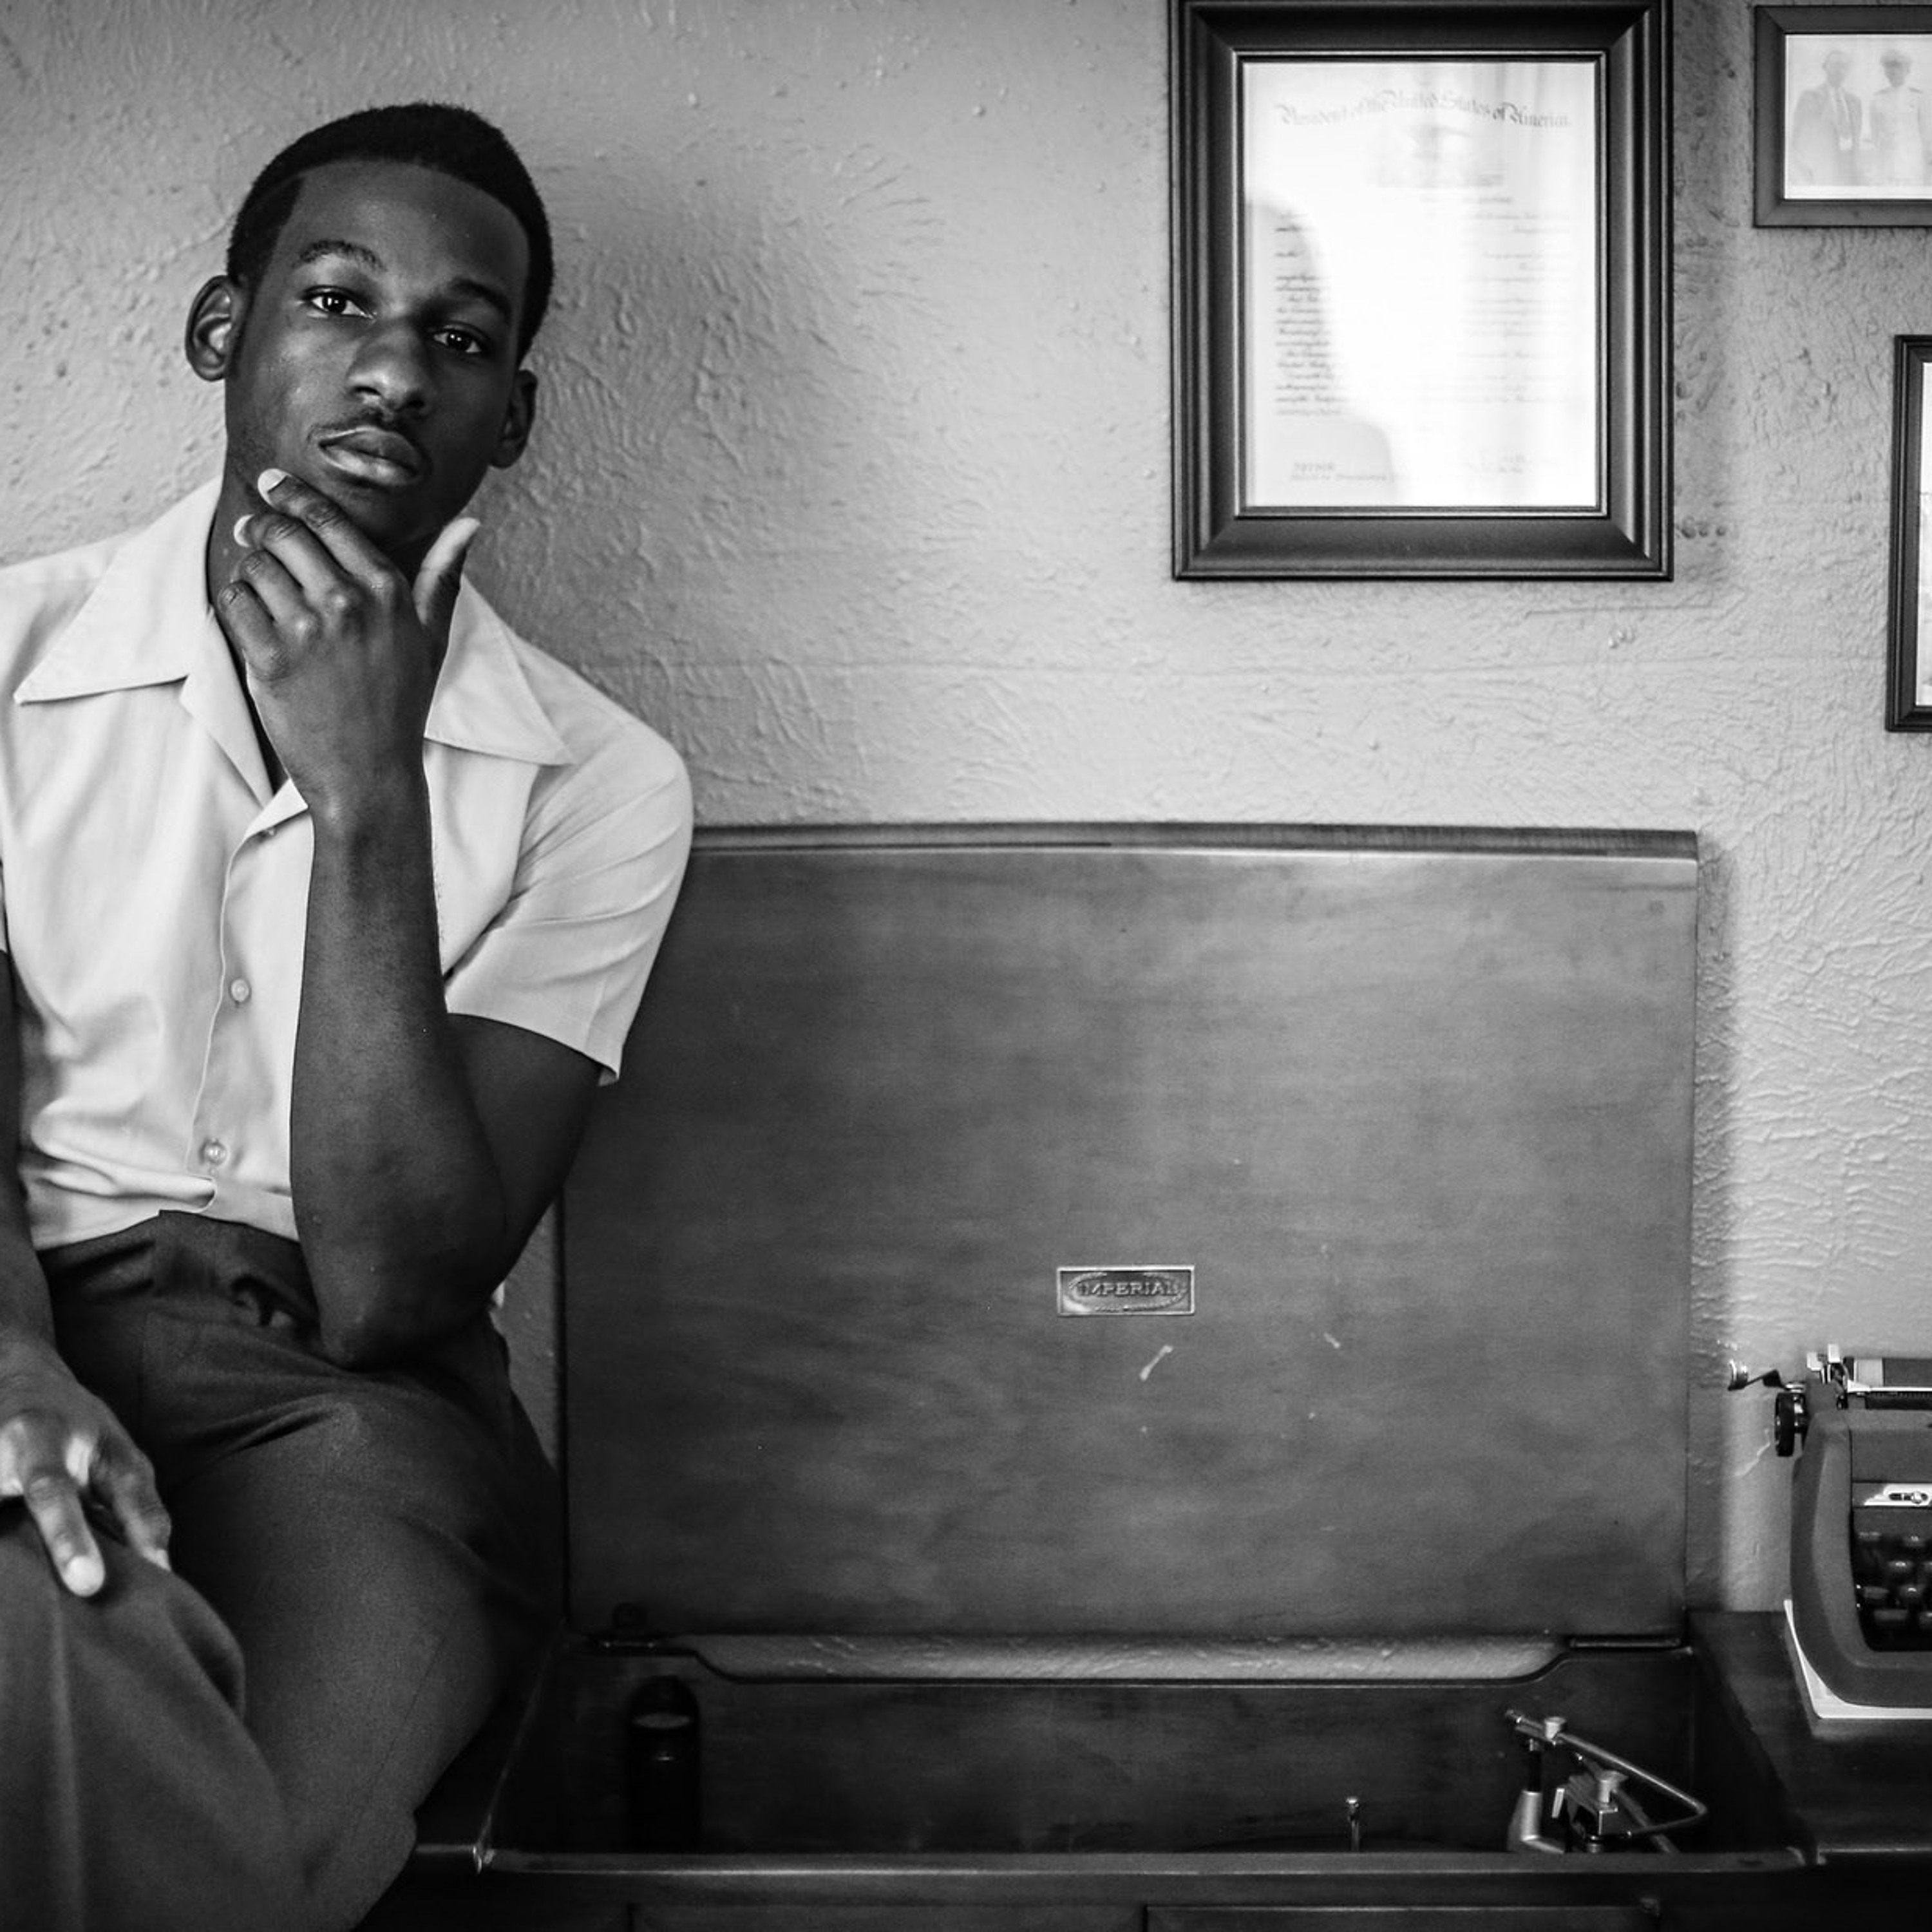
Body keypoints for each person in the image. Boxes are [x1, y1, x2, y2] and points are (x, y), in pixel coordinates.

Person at [0, 104, 692, 1930]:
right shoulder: (6, 660)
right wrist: (14, 1376)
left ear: (511, 415)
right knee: (42, 1616)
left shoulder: (602, 781)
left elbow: (397, 1286)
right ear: (222, 331)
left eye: (461, 338)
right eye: (335, 302)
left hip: (348, 1409)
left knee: (242, 1831)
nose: (394, 370)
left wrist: (368, 790)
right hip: (19, 1319)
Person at [1788, 48, 1861, 189]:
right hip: (1823, 167)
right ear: (1825, 67)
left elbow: (1856, 140)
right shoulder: (1810, 97)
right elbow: (1798, 137)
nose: (1839, 70)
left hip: (1849, 169)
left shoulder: (1854, 102)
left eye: (1844, 66)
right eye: (1835, 65)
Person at [1866, 46, 1932, 187]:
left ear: (1907, 70)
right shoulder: (1877, 99)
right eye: (1889, 67)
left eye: (1898, 66)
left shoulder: (1918, 98)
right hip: (1886, 163)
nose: (1893, 71)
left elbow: (1926, 133)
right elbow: (1875, 134)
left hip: (1911, 162)